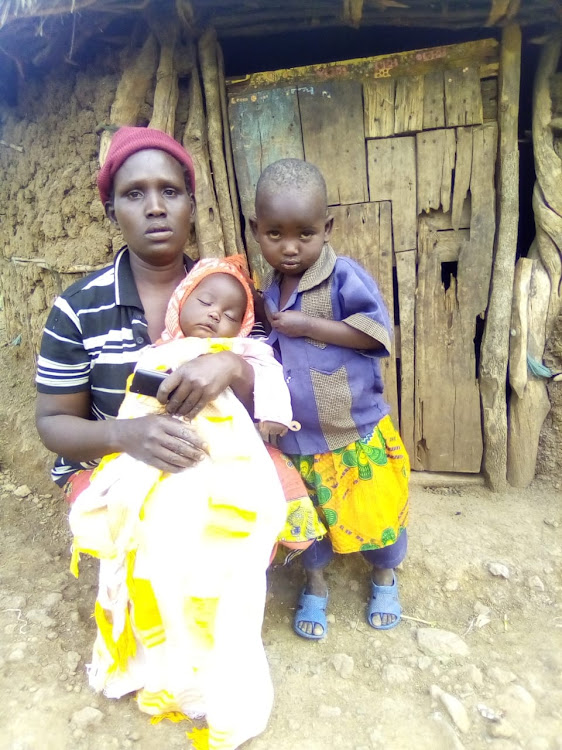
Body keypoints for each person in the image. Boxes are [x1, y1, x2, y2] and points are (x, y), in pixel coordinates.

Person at [69, 255, 293, 749]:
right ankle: (160, 667)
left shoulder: (242, 353)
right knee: (152, 558)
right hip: (157, 463)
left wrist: (239, 371)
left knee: (221, 569)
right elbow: (136, 409)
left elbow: (270, 389)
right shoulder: (154, 354)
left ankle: (214, 682)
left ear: (245, 324)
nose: (217, 315)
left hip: (225, 467)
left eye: (232, 312)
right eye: (206, 300)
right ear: (181, 302)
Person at [249, 158, 410, 641]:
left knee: (375, 512)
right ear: (256, 230)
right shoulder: (270, 290)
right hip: (299, 442)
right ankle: (315, 582)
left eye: (305, 234)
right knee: (307, 520)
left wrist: (310, 326)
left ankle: (384, 573)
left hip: (353, 430)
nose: (291, 247)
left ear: (327, 228)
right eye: (275, 234)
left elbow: (376, 334)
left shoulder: (344, 277)